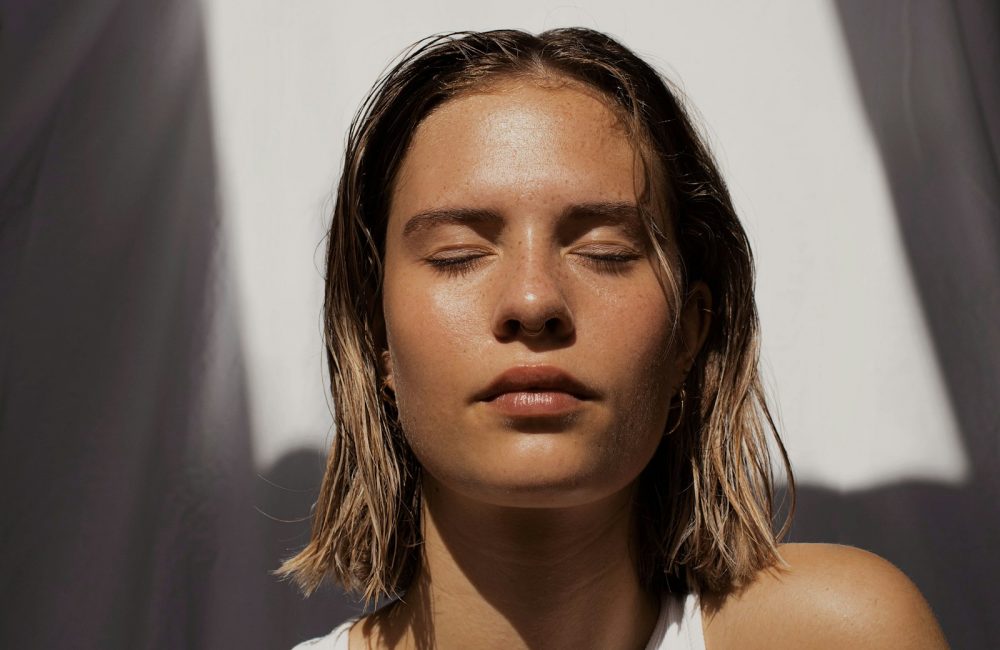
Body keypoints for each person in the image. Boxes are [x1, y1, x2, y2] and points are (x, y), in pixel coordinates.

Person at [283, 28, 948, 649]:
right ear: (375, 338)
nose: (534, 301)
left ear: (691, 331)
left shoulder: (839, 634)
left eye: (605, 250)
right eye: (458, 254)